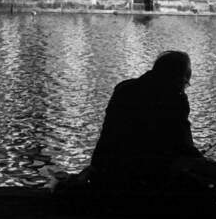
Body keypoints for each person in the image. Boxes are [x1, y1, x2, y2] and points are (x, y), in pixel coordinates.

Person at [87, 50, 203, 192]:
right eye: (185, 82)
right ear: (179, 78)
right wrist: (201, 160)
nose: (185, 86)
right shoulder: (175, 100)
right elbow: (183, 143)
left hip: (103, 167)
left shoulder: (124, 88)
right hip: (141, 176)